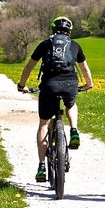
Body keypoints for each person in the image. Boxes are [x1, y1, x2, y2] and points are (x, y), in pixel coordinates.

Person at [18, 16, 93, 183]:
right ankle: (74, 130)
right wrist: (89, 84)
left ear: (53, 30)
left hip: (49, 85)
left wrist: (22, 85)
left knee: (44, 123)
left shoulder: (45, 44)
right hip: (70, 84)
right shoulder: (74, 45)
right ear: (69, 31)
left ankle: (41, 167)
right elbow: (85, 69)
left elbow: (29, 67)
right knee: (71, 104)